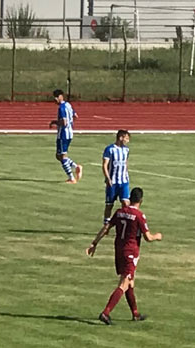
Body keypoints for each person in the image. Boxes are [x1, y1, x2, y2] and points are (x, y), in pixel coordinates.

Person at [87, 186, 161, 325]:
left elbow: (107, 227)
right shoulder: (139, 216)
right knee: (124, 283)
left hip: (119, 250)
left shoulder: (120, 212)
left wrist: (94, 242)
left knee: (130, 282)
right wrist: (157, 236)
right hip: (130, 252)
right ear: (141, 200)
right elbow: (148, 238)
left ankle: (135, 313)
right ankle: (106, 312)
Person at [49, 89, 82, 183]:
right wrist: (70, 125)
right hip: (69, 133)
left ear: (60, 97)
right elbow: (75, 116)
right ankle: (76, 167)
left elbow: (64, 122)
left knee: (62, 156)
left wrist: (54, 122)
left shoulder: (62, 108)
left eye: (56, 97)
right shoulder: (68, 105)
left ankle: (71, 177)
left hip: (63, 134)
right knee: (58, 156)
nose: (55, 100)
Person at [102, 129, 132, 226]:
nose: (127, 141)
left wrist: (126, 174)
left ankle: (125, 223)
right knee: (109, 205)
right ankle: (106, 224)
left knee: (126, 203)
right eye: (126, 138)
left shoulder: (126, 150)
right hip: (113, 182)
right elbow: (105, 165)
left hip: (124, 182)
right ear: (121, 138)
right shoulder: (110, 149)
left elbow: (126, 163)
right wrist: (107, 178)